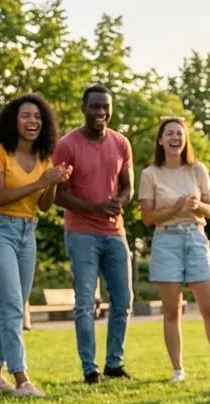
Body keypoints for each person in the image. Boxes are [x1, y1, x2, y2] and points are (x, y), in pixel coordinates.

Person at [0, 93, 71, 398]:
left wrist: (54, 180)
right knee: (13, 306)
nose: (33, 122)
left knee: (12, 307)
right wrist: (39, 182)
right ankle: (21, 379)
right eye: (26, 116)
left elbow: (44, 205)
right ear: (13, 121)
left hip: (27, 232)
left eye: (38, 117)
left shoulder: (45, 157)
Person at [138, 117, 210, 383]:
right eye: (169, 133)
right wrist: (174, 209)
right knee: (172, 311)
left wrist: (195, 206)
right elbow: (147, 217)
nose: (175, 138)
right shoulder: (150, 174)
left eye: (179, 134)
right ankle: (178, 370)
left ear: (185, 140)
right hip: (166, 241)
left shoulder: (198, 171)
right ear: (161, 140)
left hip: (195, 238)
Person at [53, 85, 135, 385]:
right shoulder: (67, 145)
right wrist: (95, 208)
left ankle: (114, 363)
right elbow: (58, 196)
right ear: (84, 108)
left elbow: (127, 187)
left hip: (115, 232)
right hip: (81, 233)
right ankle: (90, 369)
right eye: (95, 107)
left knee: (124, 299)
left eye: (106, 107)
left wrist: (118, 203)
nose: (101, 112)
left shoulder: (121, 143)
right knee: (85, 303)